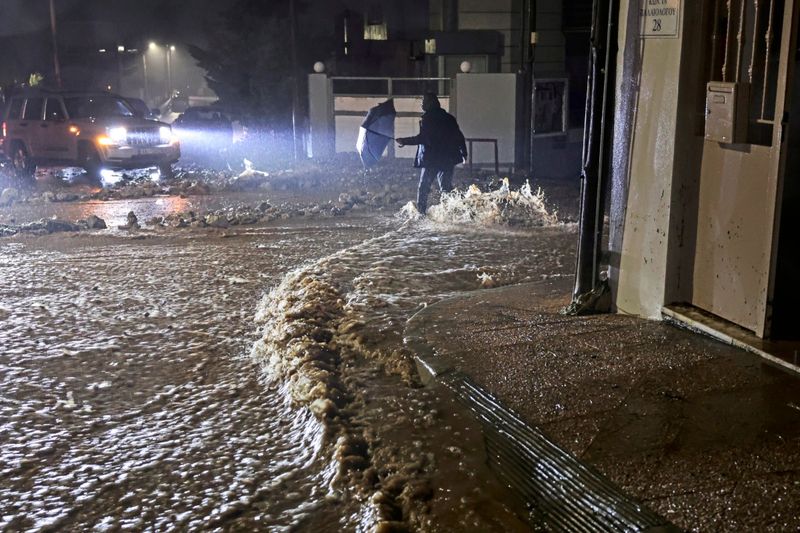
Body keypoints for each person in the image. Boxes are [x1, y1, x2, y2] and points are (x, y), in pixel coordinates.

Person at [397, 93, 467, 214]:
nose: (421, 104)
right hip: (447, 158)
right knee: (446, 188)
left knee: (424, 187)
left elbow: (424, 138)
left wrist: (405, 141)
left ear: (431, 103)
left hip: (432, 159)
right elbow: (459, 136)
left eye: (424, 101)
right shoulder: (449, 118)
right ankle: (464, 207)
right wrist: (464, 152)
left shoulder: (427, 119)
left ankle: (421, 214)